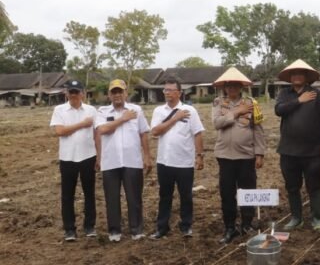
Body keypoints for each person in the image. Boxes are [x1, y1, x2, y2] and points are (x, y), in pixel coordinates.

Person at [275, 59, 320, 232]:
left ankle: (316, 218)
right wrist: (299, 100)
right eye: (294, 73)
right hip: (288, 150)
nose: (297, 76)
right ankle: (296, 217)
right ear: (290, 77)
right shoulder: (285, 94)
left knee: (314, 185)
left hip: (312, 150)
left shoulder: (316, 94)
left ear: (306, 77)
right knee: (292, 186)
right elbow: (279, 110)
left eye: (300, 73)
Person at [211, 67, 265, 244]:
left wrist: (259, 154)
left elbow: (258, 129)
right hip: (225, 156)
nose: (232, 88)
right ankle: (229, 227)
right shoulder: (219, 103)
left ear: (241, 87)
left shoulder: (252, 103)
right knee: (227, 193)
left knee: (247, 191)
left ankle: (247, 224)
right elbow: (217, 124)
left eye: (235, 85)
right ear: (225, 88)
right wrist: (236, 112)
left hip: (246, 156)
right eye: (229, 86)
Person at [95, 79, 152, 242]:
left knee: (134, 197)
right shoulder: (103, 112)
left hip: (132, 161)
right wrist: (123, 119)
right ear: (109, 95)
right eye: (114, 92)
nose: (117, 95)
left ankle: (137, 229)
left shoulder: (136, 110)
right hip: (110, 162)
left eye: (120, 91)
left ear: (126, 93)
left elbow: (143, 133)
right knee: (112, 198)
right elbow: (103, 130)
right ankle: (114, 231)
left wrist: (147, 156)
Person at [149, 77, 205, 240]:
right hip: (164, 162)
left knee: (186, 196)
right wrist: (175, 118)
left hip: (184, 162)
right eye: (165, 90)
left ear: (179, 92)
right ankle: (162, 227)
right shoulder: (159, 111)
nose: (167, 93)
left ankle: (186, 226)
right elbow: (155, 131)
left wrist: (199, 156)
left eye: (171, 90)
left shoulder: (190, 111)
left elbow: (197, 133)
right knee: (164, 196)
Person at [49, 80, 99, 241]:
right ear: (66, 93)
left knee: (89, 193)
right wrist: (82, 124)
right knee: (67, 195)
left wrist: (99, 155)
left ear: (82, 93)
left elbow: (97, 134)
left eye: (76, 92)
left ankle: (89, 226)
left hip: (88, 156)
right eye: (71, 92)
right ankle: (69, 229)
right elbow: (60, 131)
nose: (74, 95)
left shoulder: (91, 110)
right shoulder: (60, 110)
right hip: (68, 158)